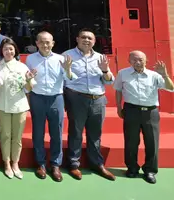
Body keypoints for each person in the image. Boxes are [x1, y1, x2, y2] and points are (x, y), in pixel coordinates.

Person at [63, 28, 115, 181]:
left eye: (90, 38)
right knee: (76, 132)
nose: (86, 40)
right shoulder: (67, 55)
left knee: (95, 133)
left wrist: (105, 71)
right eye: (83, 37)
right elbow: (62, 79)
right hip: (76, 98)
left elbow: (109, 81)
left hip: (98, 99)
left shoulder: (100, 58)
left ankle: (97, 163)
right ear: (77, 39)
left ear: (94, 41)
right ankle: (73, 164)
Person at [114, 51, 174, 184]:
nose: (137, 62)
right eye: (134, 59)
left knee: (152, 142)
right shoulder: (123, 73)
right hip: (131, 110)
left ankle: (150, 170)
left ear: (146, 61)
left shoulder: (154, 75)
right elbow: (118, 90)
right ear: (129, 61)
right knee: (131, 141)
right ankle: (132, 168)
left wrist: (165, 74)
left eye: (140, 59)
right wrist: (118, 107)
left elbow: (171, 88)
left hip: (150, 112)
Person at [25, 31, 75, 182]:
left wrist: (67, 69)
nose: (45, 45)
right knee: (38, 132)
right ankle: (40, 163)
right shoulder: (30, 58)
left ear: (53, 43)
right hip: (37, 97)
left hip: (56, 98)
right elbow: (27, 79)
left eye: (48, 42)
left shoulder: (61, 59)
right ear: (37, 43)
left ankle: (55, 164)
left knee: (56, 132)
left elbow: (70, 79)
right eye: (42, 42)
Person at [0, 38, 35, 179]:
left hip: (20, 106)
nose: (8, 52)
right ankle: (7, 163)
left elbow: (28, 88)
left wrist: (28, 80)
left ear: (15, 50)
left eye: (11, 49)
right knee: (5, 136)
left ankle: (16, 163)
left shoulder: (22, 67)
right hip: (3, 106)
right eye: (5, 49)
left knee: (17, 137)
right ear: (1, 52)